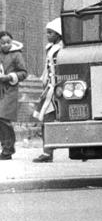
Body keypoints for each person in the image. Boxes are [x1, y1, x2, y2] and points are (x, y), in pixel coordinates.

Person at [34, 19, 63, 163]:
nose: (48, 35)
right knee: (46, 119)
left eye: (50, 33)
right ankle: (47, 151)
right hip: (49, 88)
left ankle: (48, 152)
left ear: (58, 34)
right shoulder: (50, 48)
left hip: (56, 89)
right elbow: (48, 68)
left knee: (49, 120)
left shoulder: (60, 49)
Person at [0, 30, 27, 160]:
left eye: (8, 42)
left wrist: (10, 77)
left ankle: (8, 149)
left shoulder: (17, 54)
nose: (6, 45)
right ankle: (6, 147)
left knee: (3, 118)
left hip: (9, 90)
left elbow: (23, 73)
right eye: (2, 43)